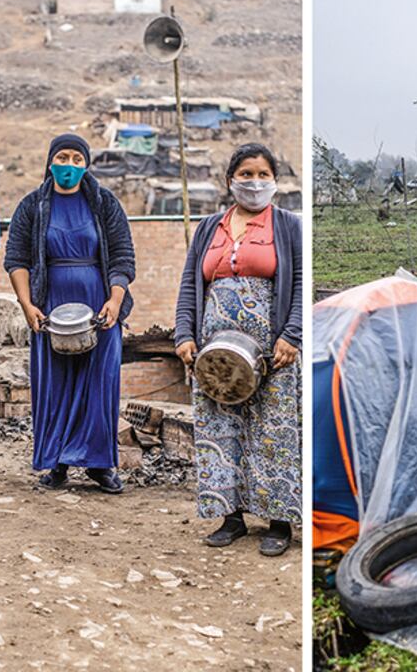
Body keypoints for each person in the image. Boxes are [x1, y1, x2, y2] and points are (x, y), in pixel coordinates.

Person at [174, 143, 302, 556]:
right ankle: (231, 517)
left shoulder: (288, 226)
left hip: (271, 350)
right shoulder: (209, 228)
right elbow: (190, 283)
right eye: (246, 174)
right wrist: (184, 335)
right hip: (216, 353)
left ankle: (278, 522)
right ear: (230, 180)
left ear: (275, 180)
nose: (254, 182)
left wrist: (292, 335)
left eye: (263, 174)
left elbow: (301, 281)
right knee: (220, 428)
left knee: (272, 431)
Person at [4, 134, 134, 494]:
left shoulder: (104, 203)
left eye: (78, 159)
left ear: (86, 165)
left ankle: (99, 464)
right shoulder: (32, 206)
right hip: (50, 305)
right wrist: (27, 305)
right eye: (63, 157)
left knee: (99, 383)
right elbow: (16, 260)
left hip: (99, 305)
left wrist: (115, 300)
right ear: (50, 162)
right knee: (55, 384)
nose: (70, 165)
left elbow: (123, 257)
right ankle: (57, 462)